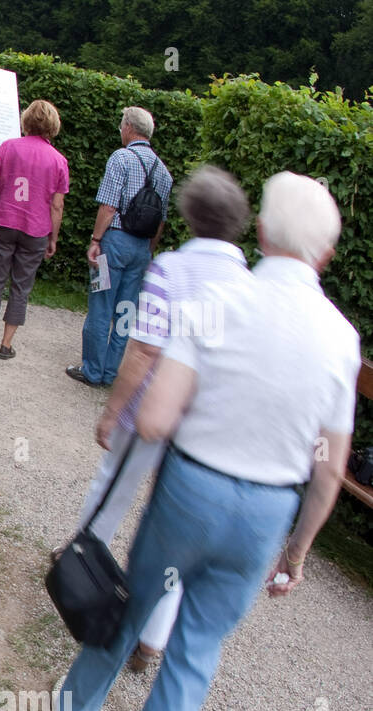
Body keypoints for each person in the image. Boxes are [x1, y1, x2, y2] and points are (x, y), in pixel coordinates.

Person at [53, 172, 361, 711]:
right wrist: (298, 552)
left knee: (136, 603)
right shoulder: (341, 339)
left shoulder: (221, 302)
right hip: (265, 515)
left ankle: (73, 709)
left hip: (192, 489)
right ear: (327, 255)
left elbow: (157, 417)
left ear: (261, 234)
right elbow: (329, 468)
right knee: (194, 657)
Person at [77, 166, 252, 674]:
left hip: (150, 410)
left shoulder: (172, 270)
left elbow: (144, 350)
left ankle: (81, 572)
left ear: (189, 215)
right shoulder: (247, 285)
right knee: (180, 533)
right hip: (203, 425)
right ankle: (152, 639)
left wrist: (113, 410)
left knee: (112, 487)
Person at [66, 106, 172, 387]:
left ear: (128, 128)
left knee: (101, 304)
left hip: (113, 243)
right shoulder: (163, 172)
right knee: (125, 310)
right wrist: (149, 251)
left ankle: (92, 371)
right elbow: (161, 220)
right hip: (141, 249)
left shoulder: (121, 158)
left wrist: (96, 240)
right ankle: (112, 373)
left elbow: (109, 207)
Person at [0, 99, 69, 359]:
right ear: (52, 126)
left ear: (26, 121)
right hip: (36, 230)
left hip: (3, 221)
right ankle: (5, 345)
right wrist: (53, 238)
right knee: (21, 287)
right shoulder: (59, 161)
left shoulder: (9, 147)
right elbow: (57, 206)